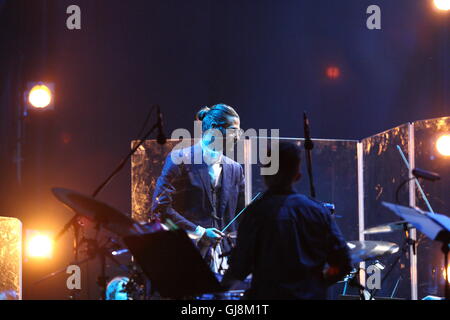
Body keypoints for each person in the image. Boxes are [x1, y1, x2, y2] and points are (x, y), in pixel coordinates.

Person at [222, 141, 353, 299]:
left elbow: (238, 269)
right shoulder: (317, 211)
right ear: (297, 175)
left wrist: (219, 291)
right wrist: (316, 284)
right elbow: (343, 264)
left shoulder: (255, 213)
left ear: (265, 173)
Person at [151, 104, 245, 273]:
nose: (238, 136)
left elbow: (242, 213)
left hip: (226, 261)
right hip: (186, 258)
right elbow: (160, 209)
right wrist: (199, 232)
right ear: (215, 129)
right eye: (234, 130)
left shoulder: (235, 169)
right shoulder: (179, 159)